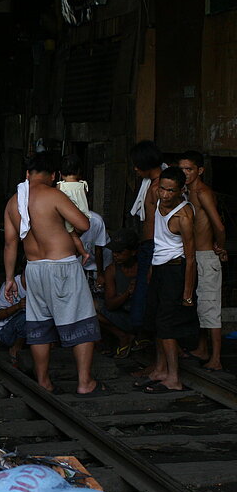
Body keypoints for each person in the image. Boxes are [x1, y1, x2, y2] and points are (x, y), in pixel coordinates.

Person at [3, 153, 103, 396]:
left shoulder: (13, 202)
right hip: (62, 266)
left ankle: (44, 381)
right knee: (81, 319)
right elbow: (83, 224)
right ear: (54, 175)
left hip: (34, 268)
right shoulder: (53, 195)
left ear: (27, 174)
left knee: (39, 325)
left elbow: (10, 244)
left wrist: (9, 279)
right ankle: (84, 382)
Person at [139, 166, 198, 393]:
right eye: (162, 189)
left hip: (176, 271)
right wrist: (152, 270)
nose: (164, 195)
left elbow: (190, 258)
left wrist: (187, 292)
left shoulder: (183, 216)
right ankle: (160, 369)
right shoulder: (157, 202)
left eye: (170, 191)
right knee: (155, 320)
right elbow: (159, 242)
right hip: (160, 269)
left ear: (181, 190)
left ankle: (174, 377)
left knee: (167, 325)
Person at [178, 151, 227, 371]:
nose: (185, 174)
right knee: (199, 305)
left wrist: (220, 245)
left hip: (207, 256)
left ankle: (216, 358)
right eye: (182, 169)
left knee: (210, 306)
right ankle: (202, 348)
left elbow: (219, 225)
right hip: (195, 256)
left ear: (200, 170)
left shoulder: (202, 192)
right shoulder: (187, 192)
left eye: (189, 169)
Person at [128, 141, 165, 348]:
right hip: (150, 246)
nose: (134, 168)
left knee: (149, 300)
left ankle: (159, 352)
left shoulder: (159, 188)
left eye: (136, 164)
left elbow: (161, 223)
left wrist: (153, 256)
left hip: (154, 247)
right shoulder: (152, 184)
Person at [98, 229, 139, 358]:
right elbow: (110, 304)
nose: (115, 255)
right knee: (90, 306)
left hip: (142, 317)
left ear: (133, 252)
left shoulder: (144, 268)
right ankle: (123, 336)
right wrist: (127, 293)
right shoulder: (112, 270)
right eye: (114, 252)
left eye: (120, 252)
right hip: (122, 316)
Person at [57, 154, 92, 264]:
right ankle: (81, 253)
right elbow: (84, 196)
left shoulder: (60, 186)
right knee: (77, 235)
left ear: (60, 173)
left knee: (72, 235)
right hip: (83, 215)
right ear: (79, 171)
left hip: (68, 216)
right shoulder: (83, 184)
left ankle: (83, 253)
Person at [0, 268, 27, 367]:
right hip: (6, 332)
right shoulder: (11, 284)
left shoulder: (41, 285)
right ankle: (16, 348)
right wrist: (17, 306)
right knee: (25, 317)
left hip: (32, 331)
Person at [79, 210, 112, 293]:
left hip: (99, 265)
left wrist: (100, 274)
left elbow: (98, 250)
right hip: (81, 265)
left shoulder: (96, 221)